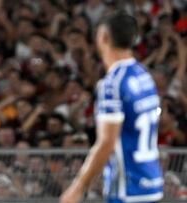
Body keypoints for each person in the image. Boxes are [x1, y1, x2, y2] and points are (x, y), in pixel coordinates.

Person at [60, 12, 163, 203]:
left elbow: (106, 142)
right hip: (151, 181)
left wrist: (78, 187)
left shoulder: (113, 83)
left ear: (103, 37)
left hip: (128, 187)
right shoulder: (144, 76)